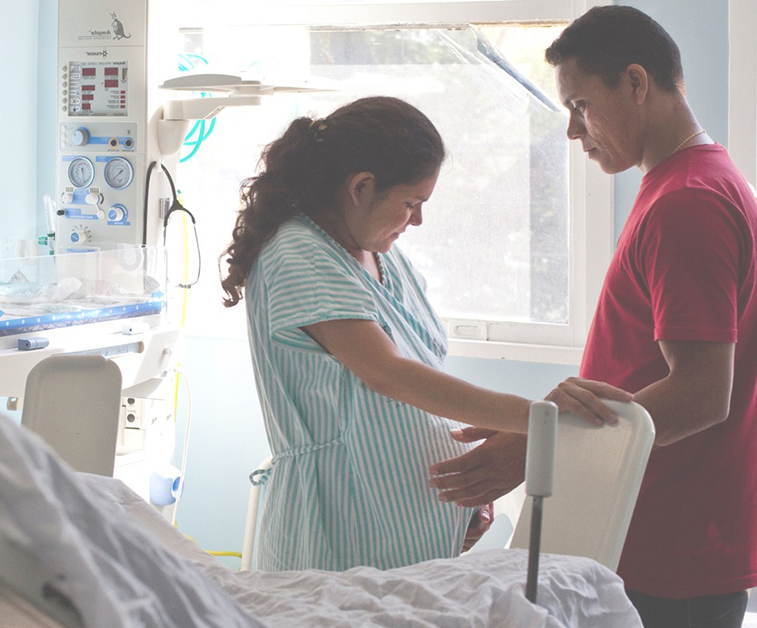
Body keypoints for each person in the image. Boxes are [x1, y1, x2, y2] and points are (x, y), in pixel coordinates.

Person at [429, 7, 757, 628]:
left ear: (637, 83)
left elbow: (700, 394)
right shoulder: (693, 180)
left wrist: (544, 448)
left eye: (582, 105)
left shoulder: (687, 203)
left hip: (676, 544)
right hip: (670, 528)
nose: (571, 130)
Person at [219, 96, 631, 572]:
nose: (417, 220)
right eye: (411, 202)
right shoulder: (299, 253)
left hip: (407, 525)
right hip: (341, 525)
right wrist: (536, 421)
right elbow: (388, 375)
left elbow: (419, 382)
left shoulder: (380, 253)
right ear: (361, 186)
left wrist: (468, 494)